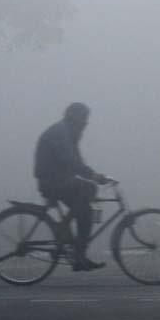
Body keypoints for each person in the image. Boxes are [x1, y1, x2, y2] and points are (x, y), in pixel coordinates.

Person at [34, 102, 109, 271]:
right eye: (84, 119)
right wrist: (93, 176)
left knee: (86, 211)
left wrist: (91, 175)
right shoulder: (62, 133)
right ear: (75, 118)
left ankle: (79, 255)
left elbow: (76, 162)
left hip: (58, 179)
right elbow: (72, 161)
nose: (86, 123)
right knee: (89, 189)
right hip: (51, 181)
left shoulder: (69, 132)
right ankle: (64, 230)